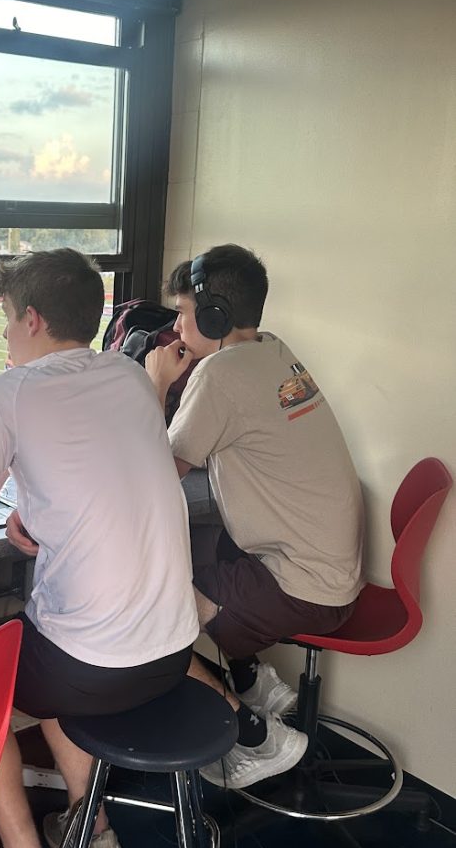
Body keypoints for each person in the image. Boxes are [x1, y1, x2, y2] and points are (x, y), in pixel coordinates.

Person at [0, 248, 199, 848]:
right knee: (48, 650)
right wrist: (36, 508)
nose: (2, 337)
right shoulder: (129, 375)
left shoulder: (8, 392)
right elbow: (108, 468)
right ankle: (97, 837)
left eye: (4, 321)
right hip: (173, 655)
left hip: (92, 670)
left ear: (31, 318)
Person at [145, 245, 364, 790]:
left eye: (182, 314)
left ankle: (254, 738)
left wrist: (156, 383)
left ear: (213, 316)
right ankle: (248, 676)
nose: (176, 327)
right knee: (199, 538)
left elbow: (152, 472)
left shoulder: (220, 373)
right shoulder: (273, 351)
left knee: (149, 594)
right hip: (329, 567)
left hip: (306, 589)